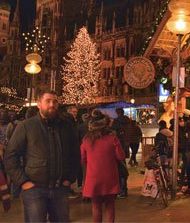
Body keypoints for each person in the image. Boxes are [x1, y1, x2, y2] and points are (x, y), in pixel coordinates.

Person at [4, 91, 79, 222]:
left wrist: (69, 179)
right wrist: (23, 182)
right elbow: (11, 155)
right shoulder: (27, 126)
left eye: (55, 101)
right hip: (35, 189)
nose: (52, 104)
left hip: (60, 188)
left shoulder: (66, 126)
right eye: (48, 101)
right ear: (38, 104)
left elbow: (75, 154)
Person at [81, 110, 126, 222]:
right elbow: (121, 156)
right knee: (110, 205)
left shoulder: (86, 141)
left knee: (96, 206)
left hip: (93, 177)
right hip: (109, 177)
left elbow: (82, 159)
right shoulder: (112, 139)